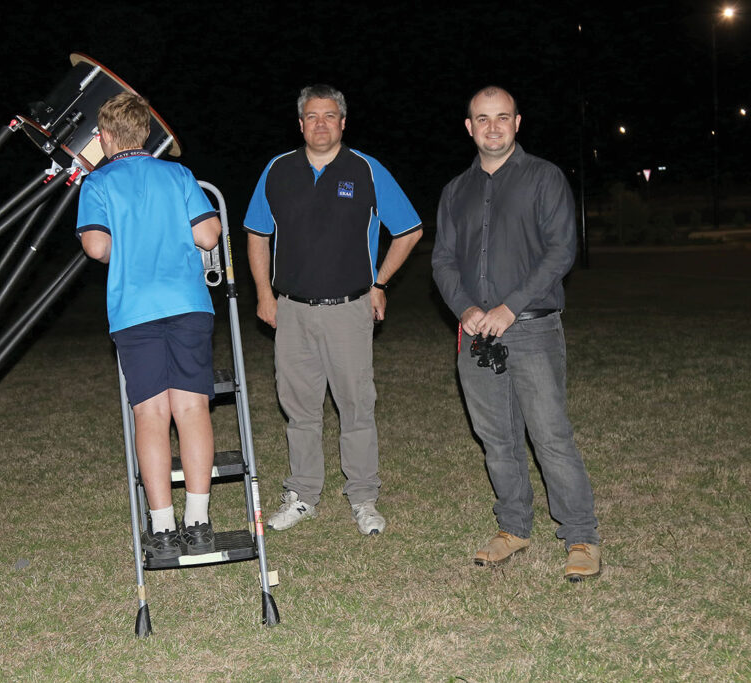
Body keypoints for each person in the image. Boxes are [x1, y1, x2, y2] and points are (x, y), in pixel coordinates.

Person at [431, 85, 601, 581]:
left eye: (501, 117)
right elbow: (441, 261)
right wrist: (464, 309)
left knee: (550, 436)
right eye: (481, 118)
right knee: (496, 438)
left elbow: (560, 252)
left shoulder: (544, 178)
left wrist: (509, 307)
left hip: (531, 329)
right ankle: (513, 527)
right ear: (469, 127)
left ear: (518, 122)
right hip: (476, 335)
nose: (492, 126)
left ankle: (581, 535)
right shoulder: (454, 192)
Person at [244, 84, 422, 536]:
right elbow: (257, 234)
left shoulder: (366, 169)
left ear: (343, 122)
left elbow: (410, 230)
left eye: (328, 116)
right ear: (300, 123)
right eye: (311, 116)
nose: (319, 124)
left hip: (349, 309)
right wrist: (264, 294)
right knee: (299, 408)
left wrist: (379, 282)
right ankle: (303, 494)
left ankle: (363, 498)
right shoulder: (277, 169)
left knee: (356, 407)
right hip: (292, 311)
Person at [77, 92, 222, 559]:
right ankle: (198, 522)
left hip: (135, 309)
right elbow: (208, 234)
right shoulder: (177, 174)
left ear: (105, 138)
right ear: (145, 134)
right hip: (187, 304)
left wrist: (133, 246)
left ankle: (161, 528)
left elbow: (97, 248)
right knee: (193, 410)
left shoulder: (97, 184)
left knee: (151, 415)